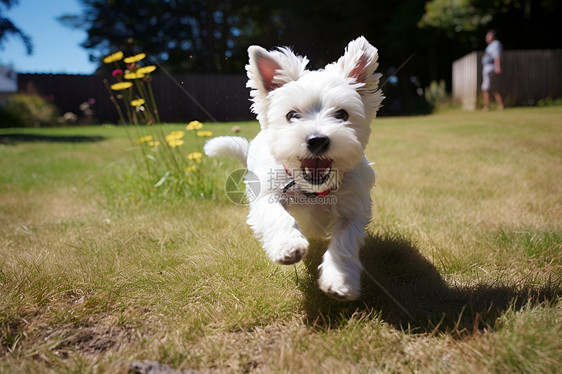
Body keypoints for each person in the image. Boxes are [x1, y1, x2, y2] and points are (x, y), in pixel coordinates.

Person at [481, 30, 504, 111]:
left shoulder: (495, 44)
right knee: (491, 87)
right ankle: (499, 106)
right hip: (489, 67)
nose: (486, 38)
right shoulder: (492, 45)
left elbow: (497, 56)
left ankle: (487, 107)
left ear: (493, 37)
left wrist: (497, 67)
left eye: (488, 36)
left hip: (490, 67)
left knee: (486, 88)